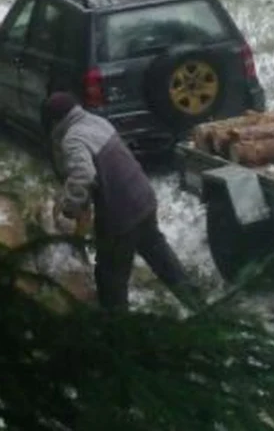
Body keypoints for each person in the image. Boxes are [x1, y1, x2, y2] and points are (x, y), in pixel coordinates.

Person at [43, 91, 200, 311]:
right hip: (143, 197)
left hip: (120, 213)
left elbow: (83, 174)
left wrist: (70, 207)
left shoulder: (73, 138)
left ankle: (117, 326)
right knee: (160, 257)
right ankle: (200, 306)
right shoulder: (97, 121)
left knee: (110, 276)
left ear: (55, 122)